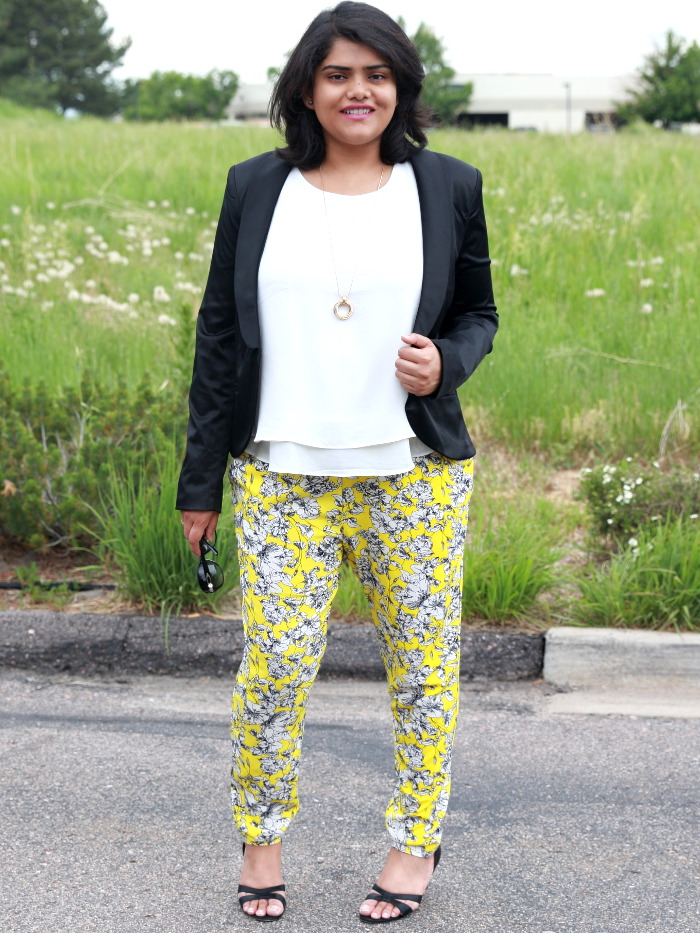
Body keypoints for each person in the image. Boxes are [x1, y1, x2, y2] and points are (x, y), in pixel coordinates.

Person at [177, 1, 498, 923]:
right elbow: (217, 336)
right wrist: (201, 481)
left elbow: (478, 312)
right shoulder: (255, 187)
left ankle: (411, 843)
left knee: (425, 670)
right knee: (273, 662)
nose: (358, 90)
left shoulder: (447, 184)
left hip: (415, 473)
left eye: (376, 74)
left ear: (400, 88)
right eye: (337, 74)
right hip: (282, 471)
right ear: (307, 91)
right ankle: (262, 837)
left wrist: (448, 361)